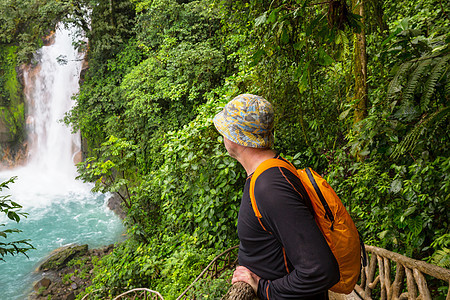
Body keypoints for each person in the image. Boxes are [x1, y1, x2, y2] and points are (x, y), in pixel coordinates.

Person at [213, 94, 340, 299]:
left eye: (225, 130)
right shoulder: (270, 171)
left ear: (237, 137)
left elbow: (321, 271)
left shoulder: (270, 186)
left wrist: (263, 288)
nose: (223, 137)